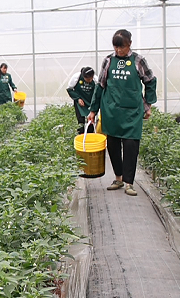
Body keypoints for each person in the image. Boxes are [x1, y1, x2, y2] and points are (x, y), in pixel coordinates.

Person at [87, 29, 157, 197]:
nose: (119, 50)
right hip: (111, 111)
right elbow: (101, 86)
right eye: (116, 47)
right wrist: (93, 109)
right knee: (113, 145)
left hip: (132, 112)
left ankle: (129, 182)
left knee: (131, 146)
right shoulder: (109, 61)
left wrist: (147, 105)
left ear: (129, 44)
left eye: (122, 47)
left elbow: (150, 81)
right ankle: (118, 178)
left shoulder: (138, 61)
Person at [66, 66, 96, 133]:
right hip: (80, 102)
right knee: (80, 120)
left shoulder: (96, 80)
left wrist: (94, 103)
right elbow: (69, 89)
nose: (90, 81)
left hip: (90, 102)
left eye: (91, 78)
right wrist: (78, 99)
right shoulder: (76, 77)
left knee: (91, 120)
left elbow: (98, 92)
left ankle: (90, 135)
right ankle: (81, 136)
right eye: (88, 79)